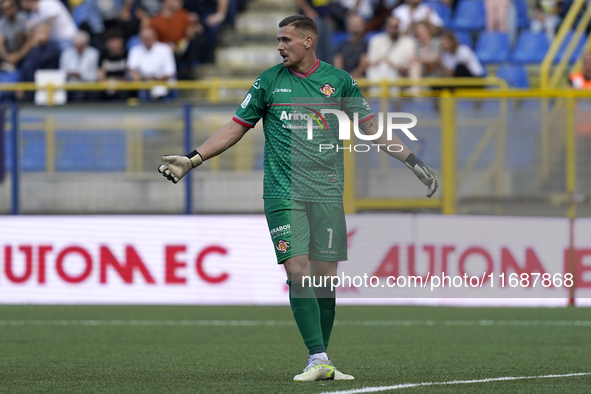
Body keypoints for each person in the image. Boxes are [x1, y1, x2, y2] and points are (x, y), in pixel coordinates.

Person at [158, 14, 438, 382]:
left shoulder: (338, 81)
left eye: (286, 40)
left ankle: (323, 359)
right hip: (282, 192)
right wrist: (194, 159)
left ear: (308, 41)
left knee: (324, 279)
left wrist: (411, 160)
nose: (279, 46)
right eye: (278, 40)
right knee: (298, 269)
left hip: (325, 192)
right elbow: (235, 127)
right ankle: (317, 356)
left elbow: (370, 127)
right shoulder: (268, 81)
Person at [150, 0, 203, 80]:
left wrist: (194, 29)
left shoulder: (182, 15)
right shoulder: (156, 20)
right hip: (164, 47)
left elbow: (189, 32)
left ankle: (189, 71)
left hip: (180, 44)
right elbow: (153, 40)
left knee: (196, 41)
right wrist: (166, 46)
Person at [366, 16, 416, 94]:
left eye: (396, 26)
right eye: (391, 26)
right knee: (372, 72)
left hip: (398, 75)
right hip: (378, 74)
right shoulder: (376, 40)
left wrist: (392, 65)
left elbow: (408, 68)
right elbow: (371, 63)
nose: (394, 29)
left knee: (392, 76)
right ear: (386, 27)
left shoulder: (408, 42)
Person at [127, 26, 176, 101]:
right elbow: (131, 68)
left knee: (159, 90)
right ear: (140, 39)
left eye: (149, 38)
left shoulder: (165, 49)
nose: (147, 40)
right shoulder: (135, 50)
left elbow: (170, 72)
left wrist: (153, 79)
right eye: (144, 38)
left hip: (162, 83)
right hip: (143, 83)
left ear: (155, 37)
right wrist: (135, 74)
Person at [16, 23, 60, 100]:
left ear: (48, 34)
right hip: (33, 83)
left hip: (48, 82)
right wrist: (21, 85)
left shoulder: (53, 47)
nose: (40, 35)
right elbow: (25, 65)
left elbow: (39, 61)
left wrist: (34, 45)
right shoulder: (35, 47)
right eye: (38, 32)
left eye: (42, 32)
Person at [59, 30, 100, 100]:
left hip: (88, 86)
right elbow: (61, 72)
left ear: (86, 44)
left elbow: (94, 75)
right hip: (70, 87)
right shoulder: (66, 54)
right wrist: (69, 74)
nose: (78, 48)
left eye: (81, 46)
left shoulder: (94, 54)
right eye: (76, 46)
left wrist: (81, 75)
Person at [333, 13, 367, 79]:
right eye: (353, 23)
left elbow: (363, 67)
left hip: (360, 82)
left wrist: (349, 80)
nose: (356, 25)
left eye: (358, 24)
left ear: (363, 26)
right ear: (347, 26)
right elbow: (337, 65)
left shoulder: (367, 45)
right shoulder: (341, 46)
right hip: (342, 81)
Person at [98, 27, 130, 100]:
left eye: (116, 40)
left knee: (124, 92)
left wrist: (117, 84)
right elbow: (100, 75)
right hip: (107, 85)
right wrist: (109, 84)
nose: (114, 44)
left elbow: (129, 73)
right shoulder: (103, 56)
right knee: (97, 93)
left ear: (122, 41)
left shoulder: (127, 55)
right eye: (111, 41)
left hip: (123, 85)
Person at [0, 0, 31, 71]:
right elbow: (1, 43)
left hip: (23, 51)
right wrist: (7, 57)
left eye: (10, 6)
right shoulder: (2, 22)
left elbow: (29, 40)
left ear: (15, 6)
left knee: (19, 36)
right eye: (5, 8)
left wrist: (18, 56)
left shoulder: (23, 18)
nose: (8, 10)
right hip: (8, 51)